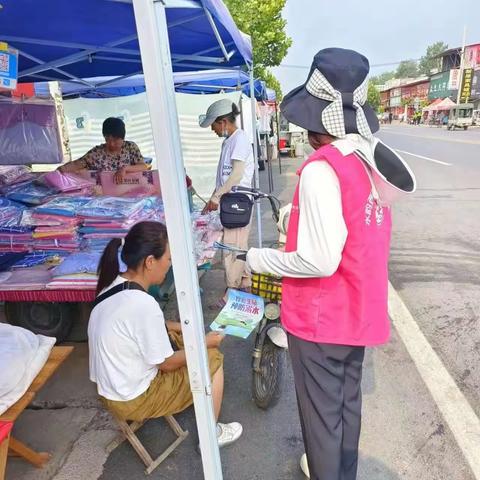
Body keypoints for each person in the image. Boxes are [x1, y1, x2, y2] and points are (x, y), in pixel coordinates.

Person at [245, 48, 416, 480]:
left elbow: (319, 259)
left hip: (321, 320)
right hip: (356, 313)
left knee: (321, 424)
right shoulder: (366, 160)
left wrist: (260, 257)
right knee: (345, 411)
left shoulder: (322, 170)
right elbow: (356, 227)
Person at [88, 221, 243, 447]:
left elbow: (139, 327)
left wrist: (182, 328)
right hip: (132, 400)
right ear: (150, 262)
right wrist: (205, 343)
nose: (169, 265)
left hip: (110, 388)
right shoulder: (142, 304)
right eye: (168, 259)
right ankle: (211, 436)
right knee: (213, 358)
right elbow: (167, 364)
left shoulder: (113, 284)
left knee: (184, 338)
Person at [198, 99, 255, 307]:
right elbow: (223, 177)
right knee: (237, 245)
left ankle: (231, 292)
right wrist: (214, 196)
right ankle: (246, 284)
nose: (213, 130)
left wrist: (217, 197)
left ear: (223, 122)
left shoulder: (239, 139)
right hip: (229, 201)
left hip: (237, 202)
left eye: (213, 125)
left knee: (232, 249)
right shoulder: (228, 141)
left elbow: (237, 175)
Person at [58, 117, 148, 183]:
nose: (112, 144)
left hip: (130, 191)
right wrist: (59, 171)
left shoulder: (130, 147)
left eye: (115, 140)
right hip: (103, 195)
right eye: (108, 139)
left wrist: (125, 169)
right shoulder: (97, 153)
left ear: (122, 137)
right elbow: (77, 164)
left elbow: (143, 166)